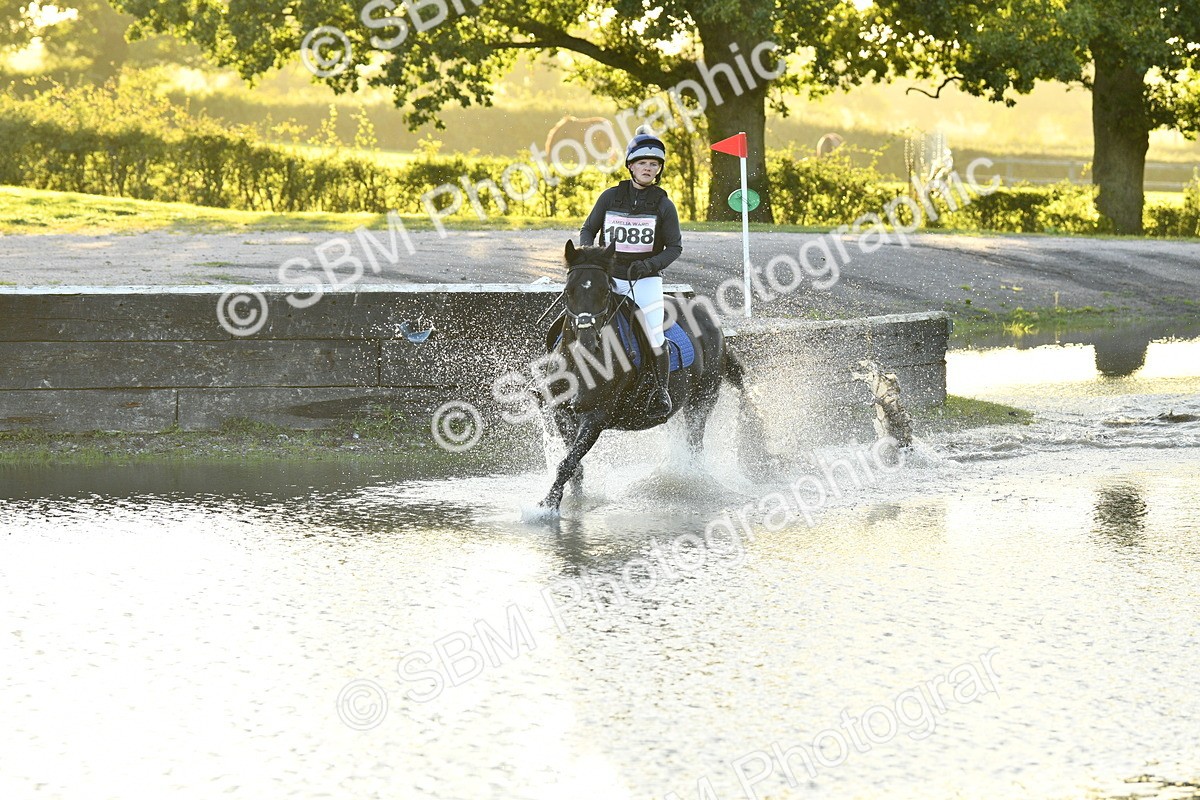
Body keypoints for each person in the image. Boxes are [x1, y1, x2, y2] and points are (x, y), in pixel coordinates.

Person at [578, 126, 683, 417]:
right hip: (608, 277)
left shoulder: (664, 205)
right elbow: (588, 230)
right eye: (642, 163)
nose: (648, 168)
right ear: (631, 166)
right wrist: (592, 258)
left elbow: (675, 247)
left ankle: (660, 391)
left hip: (644, 280)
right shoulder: (609, 197)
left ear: (659, 170)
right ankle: (555, 376)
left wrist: (650, 265)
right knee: (579, 315)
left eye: (654, 164)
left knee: (655, 333)